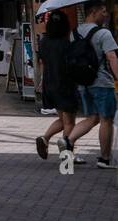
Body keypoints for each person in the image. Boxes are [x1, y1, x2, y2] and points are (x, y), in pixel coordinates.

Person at [57, 1, 118, 168]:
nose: (106, 15)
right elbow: (112, 57)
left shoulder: (74, 33)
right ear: (93, 12)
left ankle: (68, 140)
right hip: (103, 83)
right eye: (103, 11)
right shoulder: (104, 33)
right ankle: (104, 159)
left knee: (92, 118)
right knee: (106, 119)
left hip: (83, 84)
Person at [34, 9, 82, 162]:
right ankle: (67, 155)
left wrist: (41, 82)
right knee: (69, 122)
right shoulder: (66, 43)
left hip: (50, 83)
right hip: (65, 84)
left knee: (63, 119)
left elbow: (42, 63)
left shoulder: (44, 42)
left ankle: (45, 138)